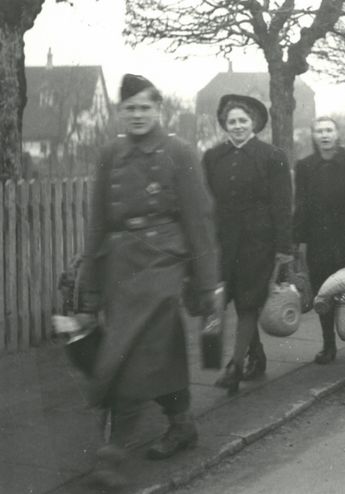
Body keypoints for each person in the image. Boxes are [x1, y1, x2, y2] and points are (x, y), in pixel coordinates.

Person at [77, 74, 220, 486]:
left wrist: (207, 284)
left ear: (159, 110)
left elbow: (199, 220)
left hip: (164, 263)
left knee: (132, 354)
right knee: (159, 352)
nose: (137, 115)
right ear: (120, 112)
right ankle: (182, 424)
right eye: (130, 108)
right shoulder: (110, 154)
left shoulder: (178, 152)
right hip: (119, 267)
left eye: (145, 107)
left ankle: (113, 452)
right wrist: (89, 289)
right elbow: (97, 224)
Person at [202, 94, 293, 393]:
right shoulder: (213, 157)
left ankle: (235, 365)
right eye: (232, 122)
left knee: (248, 301)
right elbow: (207, 202)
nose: (238, 126)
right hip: (224, 241)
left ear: (253, 123)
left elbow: (282, 205)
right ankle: (256, 354)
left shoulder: (272, 156)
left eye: (243, 121)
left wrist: (283, 248)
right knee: (225, 300)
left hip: (259, 242)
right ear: (224, 125)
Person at [293, 117, 345, 364]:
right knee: (323, 292)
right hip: (318, 239)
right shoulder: (305, 166)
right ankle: (328, 345)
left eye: (329, 130)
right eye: (319, 131)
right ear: (313, 135)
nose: (324, 135)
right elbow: (300, 205)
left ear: (337, 134)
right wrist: (297, 241)